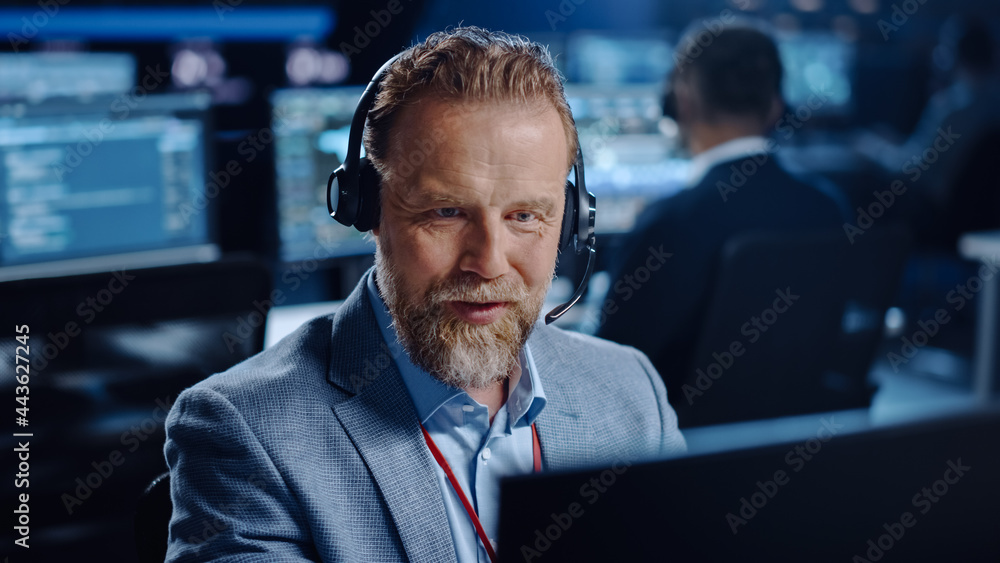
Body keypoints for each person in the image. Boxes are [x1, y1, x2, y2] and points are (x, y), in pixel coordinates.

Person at [164, 27, 685, 562]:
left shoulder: (630, 395)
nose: (488, 261)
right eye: (445, 212)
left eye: (525, 216)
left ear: (571, 222)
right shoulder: (243, 431)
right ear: (367, 210)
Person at [596, 21, 844, 411]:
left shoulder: (667, 225)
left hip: (681, 457)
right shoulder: (827, 209)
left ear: (682, 102)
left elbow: (609, 369)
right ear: (777, 106)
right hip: (795, 442)